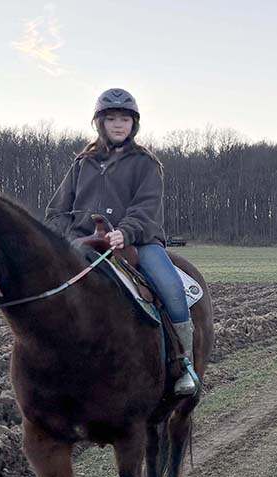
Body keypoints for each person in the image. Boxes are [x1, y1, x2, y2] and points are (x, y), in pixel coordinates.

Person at [45, 88, 198, 397]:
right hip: (82, 244)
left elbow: (146, 207)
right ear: (99, 123)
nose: (118, 125)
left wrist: (125, 232)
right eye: (111, 118)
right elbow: (57, 210)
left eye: (124, 119)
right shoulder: (81, 164)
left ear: (134, 124)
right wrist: (61, 240)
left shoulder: (145, 164)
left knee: (171, 287)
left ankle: (184, 365)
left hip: (138, 243)